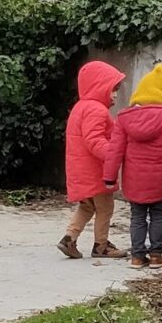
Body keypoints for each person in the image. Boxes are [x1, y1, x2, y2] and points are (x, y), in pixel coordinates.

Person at [103, 63, 162, 268]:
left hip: (134, 178)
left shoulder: (124, 118)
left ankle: (137, 256)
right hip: (159, 178)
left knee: (137, 216)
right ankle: (157, 255)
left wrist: (109, 177)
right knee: (158, 214)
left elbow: (115, 150)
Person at [58, 60, 128, 260]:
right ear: (99, 86)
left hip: (81, 170)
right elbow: (94, 140)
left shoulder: (80, 108)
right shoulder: (96, 110)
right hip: (96, 172)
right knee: (106, 208)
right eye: (113, 89)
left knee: (87, 206)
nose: (115, 94)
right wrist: (114, 155)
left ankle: (69, 238)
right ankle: (101, 246)